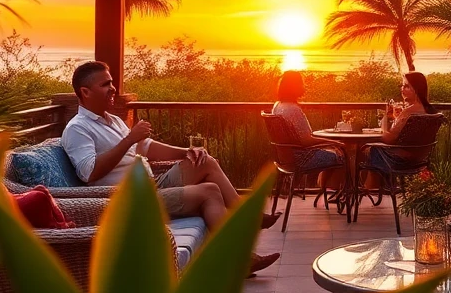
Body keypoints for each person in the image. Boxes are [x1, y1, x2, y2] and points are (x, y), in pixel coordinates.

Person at [61, 61, 279, 274]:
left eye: (111, 82)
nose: (113, 88)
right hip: (132, 198)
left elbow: (147, 147)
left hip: (153, 184)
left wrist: (185, 152)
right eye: (105, 84)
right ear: (85, 92)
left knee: (205, 161)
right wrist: (129, 140)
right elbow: (88, 172)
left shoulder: (112, 120)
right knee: (210, 191)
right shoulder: (78, 129)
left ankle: (250, 217)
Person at [271, 70, 345, 195]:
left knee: (335, 152)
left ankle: (327, 191)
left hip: (286, 158)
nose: (303, 86)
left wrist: (330, 144)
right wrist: (333, 142)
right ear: (294, 87)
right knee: (343, 156)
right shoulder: (293, 110)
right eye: (301, 83)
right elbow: (306, 140)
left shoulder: (278, 106)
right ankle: (332, 192)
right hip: (301, 158)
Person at [362, 71, 435, 193]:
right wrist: (398, 119)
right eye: (402, 86)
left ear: (416, 89)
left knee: (364, 150)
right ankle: (372, 190)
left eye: (406, 86)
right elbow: (408, 136)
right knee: (371, 152)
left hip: (399, 160)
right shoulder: (429, 111)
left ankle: (362, 191)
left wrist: (381, 129)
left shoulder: (409, 111)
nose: (402, 89)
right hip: (419, 159)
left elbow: (390, 139)